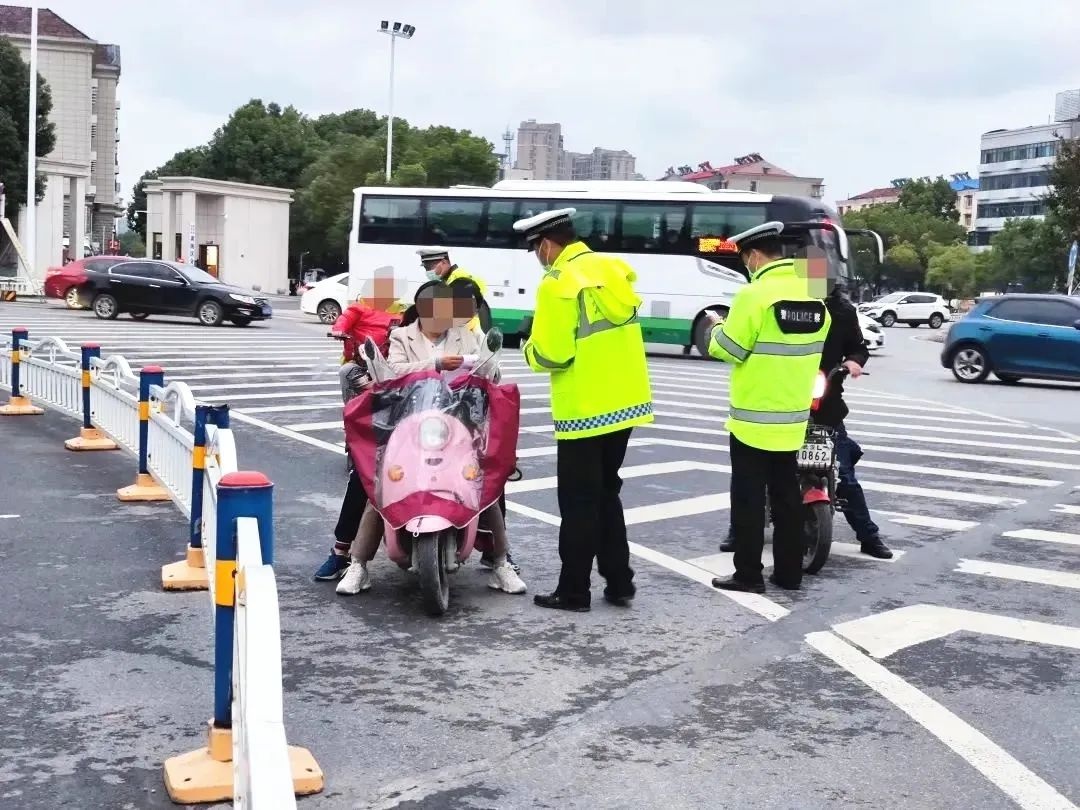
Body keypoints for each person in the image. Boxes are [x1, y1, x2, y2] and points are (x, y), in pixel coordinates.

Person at [335, 281, 527, 596]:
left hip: (458, 425)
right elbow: (393, 371)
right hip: (408, 424)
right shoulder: (401, 336)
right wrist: (436, 364)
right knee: (379, 486)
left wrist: (488, 364)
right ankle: (357, 564)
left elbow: (490, 373)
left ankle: (501, 561)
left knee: (487, 484)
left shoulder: (467, 335)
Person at [512, 208, 654, 612]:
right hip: (626, 402)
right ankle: (619, 581)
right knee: (606, 492)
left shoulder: (557, 282)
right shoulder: (612, 268)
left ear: (545, 245)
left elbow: (553, 355)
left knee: (578, 502)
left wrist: (528, 347)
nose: (538, 258)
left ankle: (574, 590)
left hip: (585, 408)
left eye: (536, 250)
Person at [717, 248, 893, 561]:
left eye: (819, 276)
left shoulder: (839, 309)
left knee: (844, 474)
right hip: (787, 400)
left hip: (825, 401)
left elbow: (858, 347)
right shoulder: (786, 303)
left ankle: (869, 534)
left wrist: (852, 362)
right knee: (759, 480)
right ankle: (738, 531)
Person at [705, 222, 832, 594]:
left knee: (748, 500)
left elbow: (728, 348)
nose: (747, 267)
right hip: (792, 417)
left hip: (752, 419)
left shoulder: (754, 294)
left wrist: (717, 326)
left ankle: (748, 574)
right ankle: (789, 573)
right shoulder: (812, 292)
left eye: (746, 260)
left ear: (755, 255)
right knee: (787, 497)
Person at [332, 273, 407, 404]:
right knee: (346, 371)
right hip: (362, 361)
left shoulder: (401, 310)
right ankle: (351, 411)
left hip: (393, 361)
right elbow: (343, 320)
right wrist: (339, 331)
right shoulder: (359, 307)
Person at [417, 247, 489, 334]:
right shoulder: (447, 280)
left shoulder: (459, 278)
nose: (428, 271)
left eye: (430, 267)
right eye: (426, 268)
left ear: (444, 262)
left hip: (468, 332)